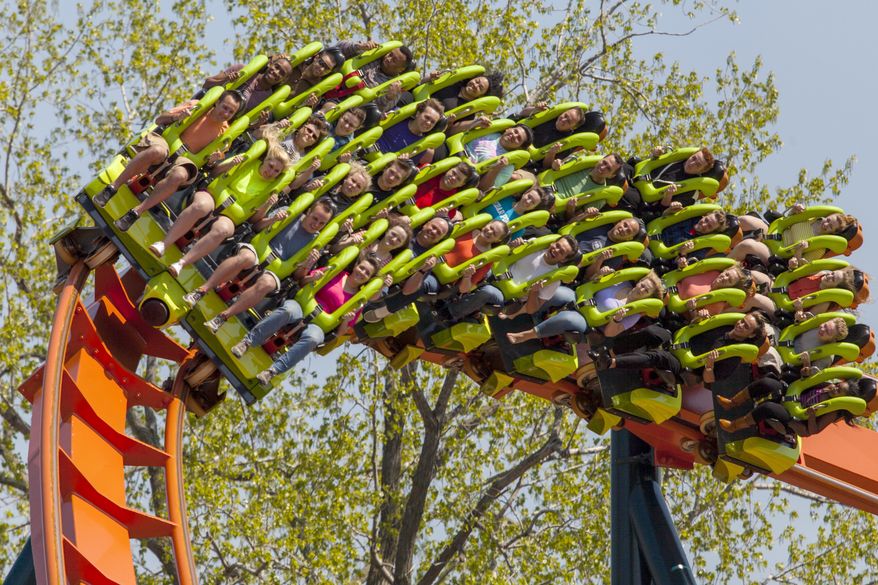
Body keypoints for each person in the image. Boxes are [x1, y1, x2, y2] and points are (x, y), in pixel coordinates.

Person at [94, 90, 245, 231]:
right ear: (217, 102)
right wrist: (176, 118)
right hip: (166, 145)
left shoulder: (225, 134)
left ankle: (135, 213)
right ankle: (111, 188)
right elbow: (160, 119)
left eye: (231, 112)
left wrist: (212, 161)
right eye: (224, 107)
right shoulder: (196, 107)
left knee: (180, 175)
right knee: (157, 151)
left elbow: (211, 167)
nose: (225, 113)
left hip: (185, 160)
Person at [148, 141, 301, 276]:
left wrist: (267, 204)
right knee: (201, 206)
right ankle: (164, 244)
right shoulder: (248, 163)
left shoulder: (271, 189)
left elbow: (255, 220)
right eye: (271, 166)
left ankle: (181, 263)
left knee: (223, 230)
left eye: (276, 172)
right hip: (214, 197)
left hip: (230, 216)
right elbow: (214, 172)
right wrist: (230, 164)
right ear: (265, 160)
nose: (271, 172)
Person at [231, 257, 390, 385]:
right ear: (356, 266)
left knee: (314, 338)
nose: (362, 273)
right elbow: (303, 282)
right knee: (287, 311)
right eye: (362, 268)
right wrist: (312, 278)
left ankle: (271, 371)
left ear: (368, 279)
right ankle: (247, 342)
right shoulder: (335, 273)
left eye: (367, 273)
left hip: (319, 325)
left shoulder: (357, 301)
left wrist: (345, 320)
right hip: (302, 306)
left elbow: (340, 333)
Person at [183, 198, 336, 327]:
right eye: (314, 218)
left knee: (268, 284)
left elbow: (297, 276)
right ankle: (201, 291)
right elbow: (257, 226)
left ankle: (223, 316)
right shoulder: (289, 212)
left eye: (321, 223)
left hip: (276, 270)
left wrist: (307, 264)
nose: (316, 224)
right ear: (308, 211)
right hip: (257, 251)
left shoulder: (316, 244)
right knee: (246, 258)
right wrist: (273, 220)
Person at [363, 219, 510, 322]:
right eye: (490, 227)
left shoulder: (487, 258)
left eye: (494, 233)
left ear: (497, 240)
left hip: (441, 278)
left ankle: (385, 310)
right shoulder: (469, 229)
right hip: (428, 252)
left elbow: (465, 288)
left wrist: (467, 276)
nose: (489, 231)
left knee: (425, 283)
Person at [445, 235, 580, 322]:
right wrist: (512, 246)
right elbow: (507, 255)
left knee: (489, 291)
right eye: (557, 245)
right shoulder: (534, 244)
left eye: (561, 252)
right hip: (496, 274)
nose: (555, 250)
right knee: (477, 264)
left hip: (508, 296)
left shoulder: (554, 279)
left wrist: (534, 292)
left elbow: (532, 309)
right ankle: (447, 290)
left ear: (564, 259)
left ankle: (450, 313)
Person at [720, 377, 877, 436]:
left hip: (793, 419)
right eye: (837, 385)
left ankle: (734, 426)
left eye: (838, 391)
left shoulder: (832, 411)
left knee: (768, 408)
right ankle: (732, 402)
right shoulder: (826, 383)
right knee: (767, 383)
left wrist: (811, 416)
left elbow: (812, 431)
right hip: (789, 395)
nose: (834, 388)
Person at [334, 41, 415, 112]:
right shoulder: (372, 54)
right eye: (390, 54)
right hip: (335, 83)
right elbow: (338, 48)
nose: (388, 59)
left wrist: (387, 98)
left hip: (348, 108)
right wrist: (359, 46)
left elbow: (375, 112)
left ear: (401, 69)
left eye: (394, 61)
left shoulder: (395, 88)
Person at [202, 54, 293, 115]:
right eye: (276, 67)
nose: (276, 72)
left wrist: (258, 123)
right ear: (270, 64)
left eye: (282, 73)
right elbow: (207, 84)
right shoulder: (242, 70)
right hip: (207, 110)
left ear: (283, 80)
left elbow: (247, 124)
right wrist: (226, 80)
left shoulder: (268, 99)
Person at [459, 123, 534, 189]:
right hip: (457, 153)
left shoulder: (508, 166)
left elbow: (483, 188)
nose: (514, 135)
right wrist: (476, 123)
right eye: (515, 131)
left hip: (463, 175)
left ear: (520, 147)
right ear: (508, 129)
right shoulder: (490, 130)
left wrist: (496, 169)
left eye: (519, 138)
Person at [374, 98, 447, 160]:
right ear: (418, 113)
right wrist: (379, 119)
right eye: (427, 117)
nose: (428, 123)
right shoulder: (398, 117)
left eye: (432, 122)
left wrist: (403, 162)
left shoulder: (421, 145)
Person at [412, 159, 479, 209]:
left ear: (461, 184)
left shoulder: (452, 201)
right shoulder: (430, 172)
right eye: (453, 173)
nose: (453, 178)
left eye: (458, 179)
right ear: (449, 169)